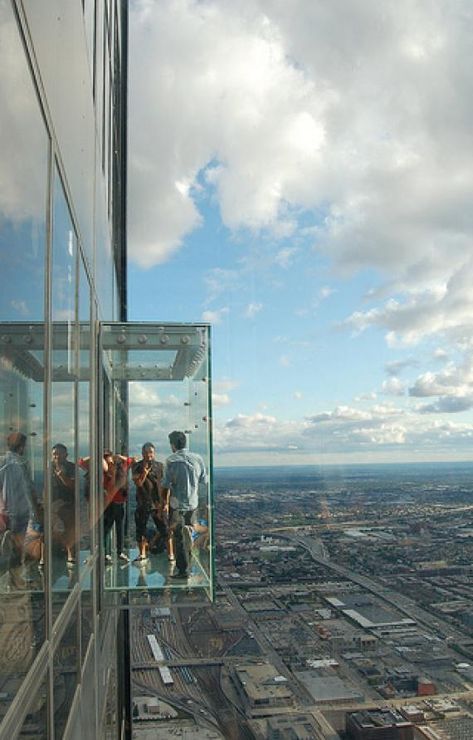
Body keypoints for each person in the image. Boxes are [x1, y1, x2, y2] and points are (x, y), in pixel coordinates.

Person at [161, 431, 207, 580]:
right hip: (193, 503)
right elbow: (204, 480)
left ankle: (183, 571)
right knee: (189, 533)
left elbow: (166, 485)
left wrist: (164, 504)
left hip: (176, 505)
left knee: (178, 537)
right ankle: (191, 564)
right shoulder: (198, 458)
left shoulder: (170, 461)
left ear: (173, 444)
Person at [0, 432, 39, 587]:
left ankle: (12, 578)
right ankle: (13, 578)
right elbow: (28, 491)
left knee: (11, 547)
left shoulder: (3, 462)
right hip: (20, 513)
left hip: (7, 512)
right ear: (21, 446)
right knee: (18, 548)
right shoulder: (20, 464)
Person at [132, 442, 168, 563]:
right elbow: (138, 483)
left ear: (154, 453)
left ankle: (171, 554)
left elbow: (165, 485)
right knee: (140, 529)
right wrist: (145, 472)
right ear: (142, 453)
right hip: (143, 502)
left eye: (151, 452)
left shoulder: (160, 466)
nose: (149, 455)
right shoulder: (136, 466)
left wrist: (165, 502)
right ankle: (142, 554)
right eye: (146, 453)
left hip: (158, 503)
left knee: (164, 528)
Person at [103, 451, 134, 563]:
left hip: (119, 503)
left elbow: (132, 460)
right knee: (107, 528)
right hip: (110, 503)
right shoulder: (105, 473)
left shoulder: (121, 470)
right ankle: (106, 553)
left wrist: (119, 456)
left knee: (119, 528)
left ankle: (119, 552)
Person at [51, 443, 76, 566]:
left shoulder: (71, 467)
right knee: (46, 529)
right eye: (54, 454)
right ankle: (44, 557)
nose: (56, 457)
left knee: (70, 529)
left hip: (68, 503)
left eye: (59, 454)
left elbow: (73, 486)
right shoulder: (49, 467)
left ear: (66, 455)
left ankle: (70, 554)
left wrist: (62, 476)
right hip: (52, 503)